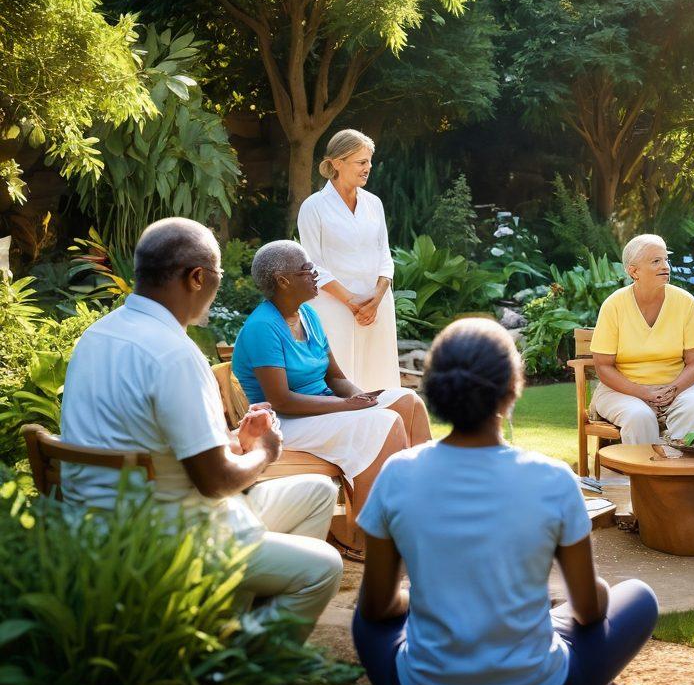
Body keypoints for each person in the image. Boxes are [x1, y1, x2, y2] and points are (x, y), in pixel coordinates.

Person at [353, 318, 658, 685]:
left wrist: (415, 599)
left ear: (435, 387)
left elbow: (377, 608)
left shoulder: (398, 473)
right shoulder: (552, 479)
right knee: (639, 598)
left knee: (363, 617)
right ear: (513, 387)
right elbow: (588, 612)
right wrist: (598, 593)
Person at [61, 218, 343, 636]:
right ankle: (232, 658)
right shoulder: (175, 354)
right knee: (324, 568)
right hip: (172, 535)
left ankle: (227, 616)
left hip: (100, 523)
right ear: (196, 277)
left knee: (318, 491)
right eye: (218, 275)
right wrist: (265, 451)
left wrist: (235, 440)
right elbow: (215, 482)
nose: (217, 285)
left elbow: (149, 438)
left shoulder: (97, 336)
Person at [231, 240, 432, 556]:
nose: (315, 274)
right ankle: (364, 538)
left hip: (323, 410)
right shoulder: (262, 327)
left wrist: (361, 399)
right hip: (284, 422)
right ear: (283, 281)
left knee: (408, 402)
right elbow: (281, 400)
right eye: (306, 269)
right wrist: (347, 407)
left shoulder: (308, 315)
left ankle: (424, 509)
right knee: (385, 423)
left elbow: (335, 378)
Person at [588, 234, 694, 448]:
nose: (665, 266)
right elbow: (603, 367)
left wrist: (672, 390)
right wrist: (643, 393)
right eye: (656, 261)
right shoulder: (613, 306)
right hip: (622, 390)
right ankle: (644, 470)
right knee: (639, 416)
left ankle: (680, 467)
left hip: (678, 386)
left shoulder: (685, 302)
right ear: (634, 271)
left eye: (666, 260)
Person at [298, 129, 400, 392]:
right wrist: (352, 301)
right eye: (361, 162)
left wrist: (376, 297)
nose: (368, 168)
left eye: (369, 162)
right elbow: (313, 265)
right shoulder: (313, 207)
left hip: (377, 306)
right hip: (334, 307)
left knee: (380, 379)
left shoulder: (374, 204)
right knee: (342, 382)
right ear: (337, 163)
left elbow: (385, 255)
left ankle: (384, 420)